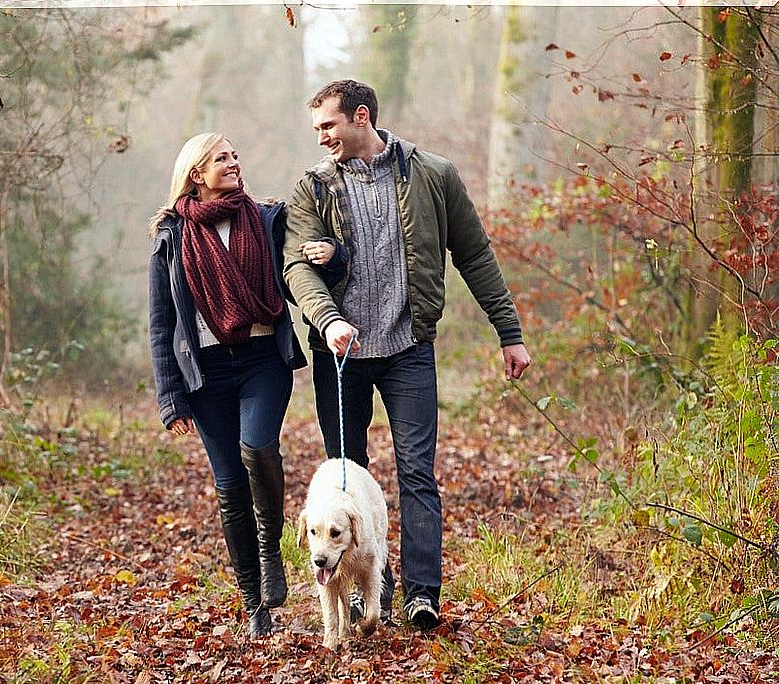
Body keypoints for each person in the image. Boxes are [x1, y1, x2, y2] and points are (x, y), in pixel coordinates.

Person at [283, 79, 533, 632]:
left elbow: (475, 254)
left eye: (328, 125)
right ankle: (366, 588)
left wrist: (508, 332)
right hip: (340, 356)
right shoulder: (312, 190)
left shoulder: (433, 176)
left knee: (418, 473)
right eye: (317, 129)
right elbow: (297, 266)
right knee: (348, 482)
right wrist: (328, 320)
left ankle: (422, 595)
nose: (322, 137)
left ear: (361, 117)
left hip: (408, 350)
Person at [148, 132, 308, 638]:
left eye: (236, 155)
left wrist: (331, 257)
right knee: (230, 487)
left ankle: (272, 557)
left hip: (263, 360)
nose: (234, 163)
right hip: (206, 374)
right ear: (198, 173)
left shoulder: (265, 219)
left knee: (257, 448)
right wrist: (171, 396)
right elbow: (161, 322)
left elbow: (299, 273)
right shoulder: (171, 236)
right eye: (223, 158)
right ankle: (253, 602)